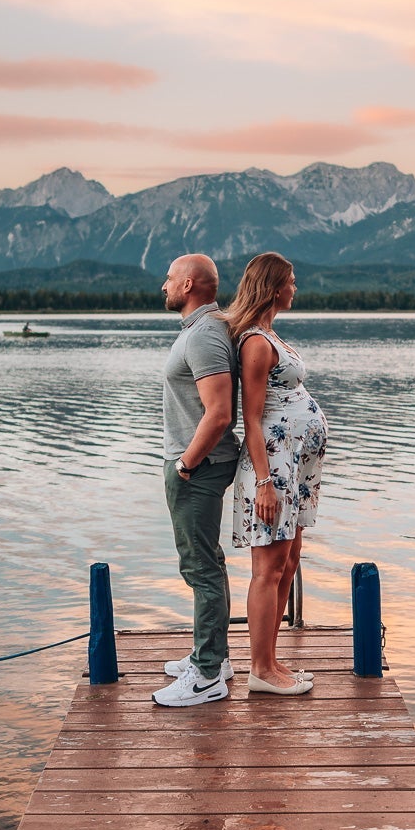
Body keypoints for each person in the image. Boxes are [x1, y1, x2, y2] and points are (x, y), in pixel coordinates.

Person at [226, 252, 327, 696]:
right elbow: (250, 419)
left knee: (289, 561)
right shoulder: (254, 343)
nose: (295, 288)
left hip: (296, 469)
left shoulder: (271, 334)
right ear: (273, 287)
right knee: (267, 568)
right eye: (291, 281)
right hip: (274, 469)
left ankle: (270, 658)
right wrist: (265, 484)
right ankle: (260, 670)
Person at [154, 253, 241, 707]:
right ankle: (215, 657)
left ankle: (207, 675)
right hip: (200, 463)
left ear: (188, 284)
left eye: (169, 279)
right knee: (208, 562)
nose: (162, 286)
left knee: (200, 568)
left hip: (200, 467)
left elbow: (221, 413)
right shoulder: (202, 330)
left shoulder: (205, 334)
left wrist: (185, 465)